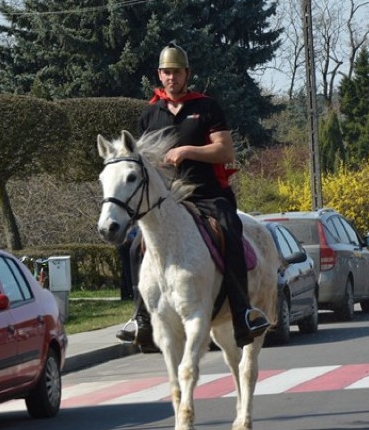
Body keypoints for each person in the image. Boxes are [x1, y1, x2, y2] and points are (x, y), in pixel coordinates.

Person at [116, 42, 270, 351]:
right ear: (159, 75)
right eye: (165, 72)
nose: (171, 78)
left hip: (208, 195)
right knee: (134, 245)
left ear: (187, 74)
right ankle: (141, 318)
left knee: (229, 229)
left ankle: (242, 313)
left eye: (176, 72)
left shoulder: (207, 107)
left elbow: (225, 151)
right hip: (168, 200)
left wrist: (186, 151)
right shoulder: (150, 115)